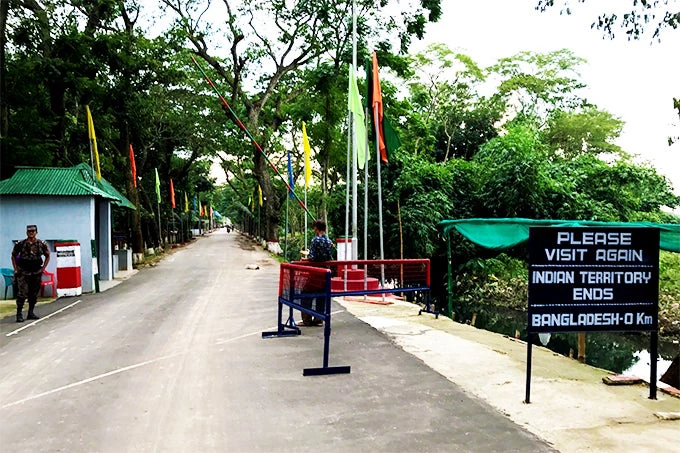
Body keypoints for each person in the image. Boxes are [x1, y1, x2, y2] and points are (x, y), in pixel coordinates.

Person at [11, 224, 50, 322]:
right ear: (26, 233)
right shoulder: (21, 244)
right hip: (24, 272)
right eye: (29, 231)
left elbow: (47, 255)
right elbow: (13, 256)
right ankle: (19, 313)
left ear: (36, 232)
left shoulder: (41, 244)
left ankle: (30, 312)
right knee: (22, 293)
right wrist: (15, 269)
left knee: (33, 294)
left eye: (33, 231)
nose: (31, 233)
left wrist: (43, 268)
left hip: (36, 272)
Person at [299, 219, 333, 326]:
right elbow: (328, 256)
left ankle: (307, 319)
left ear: (317, 229)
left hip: (315, 272)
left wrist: (305, 259)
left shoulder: (315, 240)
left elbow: (312, 257)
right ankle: (319, 319)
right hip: (324, 272)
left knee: (306, 293)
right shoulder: (329, 241)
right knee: (321, 295)